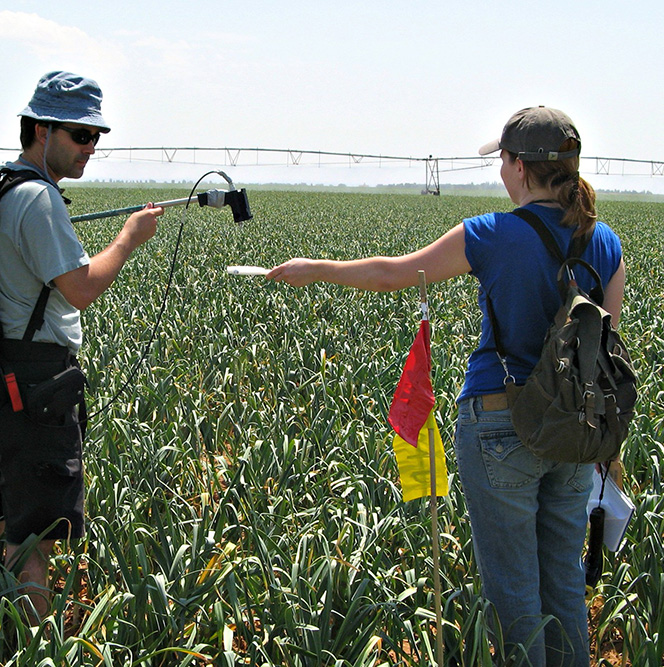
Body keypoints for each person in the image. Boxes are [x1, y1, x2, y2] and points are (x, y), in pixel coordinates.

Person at [267, 106, 624, 666]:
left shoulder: (493, 232)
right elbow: (604, 354)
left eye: (503, 161)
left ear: (521, 168)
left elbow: (392, 274)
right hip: (576, 433)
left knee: (515, 597)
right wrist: (610, 449)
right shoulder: (603, 241)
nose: (500, 172)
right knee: (564, 587)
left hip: (501, 425)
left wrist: (316, 267)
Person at [0, 71, 162, 620]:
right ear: (42, 130)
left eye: (96, 136)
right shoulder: (39, 200)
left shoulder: (1, 186)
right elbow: (80, 289)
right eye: (80, 135)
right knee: (34, 539)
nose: (90, 148)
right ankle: (31, 646)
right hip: (36, 385)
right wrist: (129, 238)